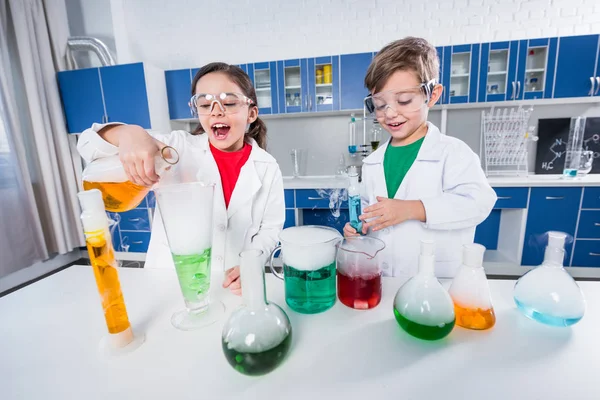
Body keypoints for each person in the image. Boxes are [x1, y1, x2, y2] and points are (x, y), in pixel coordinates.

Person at [77, 62, 285, 295]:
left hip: (232, 285)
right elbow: (86, 144)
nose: (217, 110)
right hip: (168, 282)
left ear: (252, 113)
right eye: (205, 104)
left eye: (229, 102)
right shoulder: (175, 148)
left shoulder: (267, 166)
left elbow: (270, 228)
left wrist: (252, 263)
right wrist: (129, 133)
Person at [343, 37, 497, 278]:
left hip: (437, 282)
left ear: (432, 95)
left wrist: (413, 209)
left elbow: (479, 203)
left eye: (404, 100)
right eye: (380, 105)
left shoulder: (453, 153)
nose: (390, 113)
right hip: (384, 280)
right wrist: (359, 226)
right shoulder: (373, 162)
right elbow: (368, 209)